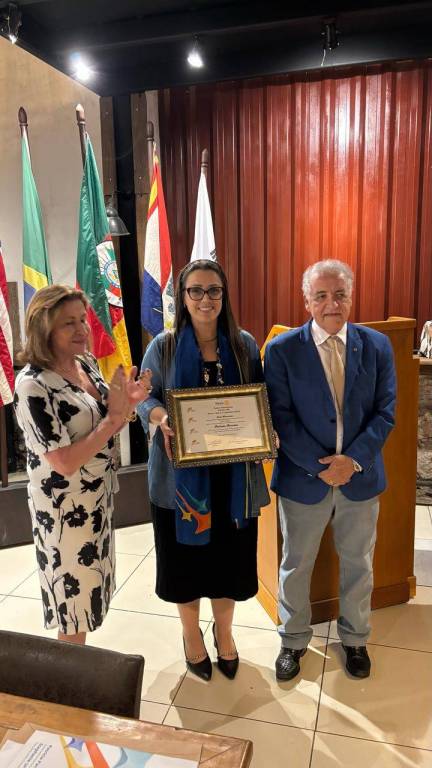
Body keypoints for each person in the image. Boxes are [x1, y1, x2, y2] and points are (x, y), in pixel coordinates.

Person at [264, 259, 396, 681]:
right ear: (307, 301)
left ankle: (355, 639)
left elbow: (385, 412)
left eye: (339, 294)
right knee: (295, 564)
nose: (331, 304)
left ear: (351, 297)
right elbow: (280, 416)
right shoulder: (283, 350)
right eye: (320, 295)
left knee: (359, 562)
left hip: (360, 477)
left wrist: (351, 461)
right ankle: (292, 640)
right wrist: (320, 467)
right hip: (304, 479)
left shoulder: (377, 346)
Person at [138, 259, 269, 681]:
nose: (205, 299)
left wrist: (264, 433)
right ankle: (191, 635)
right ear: (183, 297)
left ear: (224, 295)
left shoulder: (244, 345)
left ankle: (224, 633)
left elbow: (260, 398)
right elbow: (144, 398)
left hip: (232, 478)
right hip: (180, 482)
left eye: (213, 290)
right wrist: (161, 417)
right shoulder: (164, 346)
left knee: (228, 561)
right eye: (195, 290)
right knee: (185, 564)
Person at [14, 285, 151, 644]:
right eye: (68, 323)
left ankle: (80, 664)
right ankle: (71, 674)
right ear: (44, 328)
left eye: (82, 320)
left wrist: (128, 404)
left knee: (89, 597)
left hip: (95, 500)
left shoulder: (84, 363)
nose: (82, 329)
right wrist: (115, 418)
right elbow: (63, 462)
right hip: (64, 511)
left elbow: (109, 417)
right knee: (72, 607)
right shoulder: (32, 385)